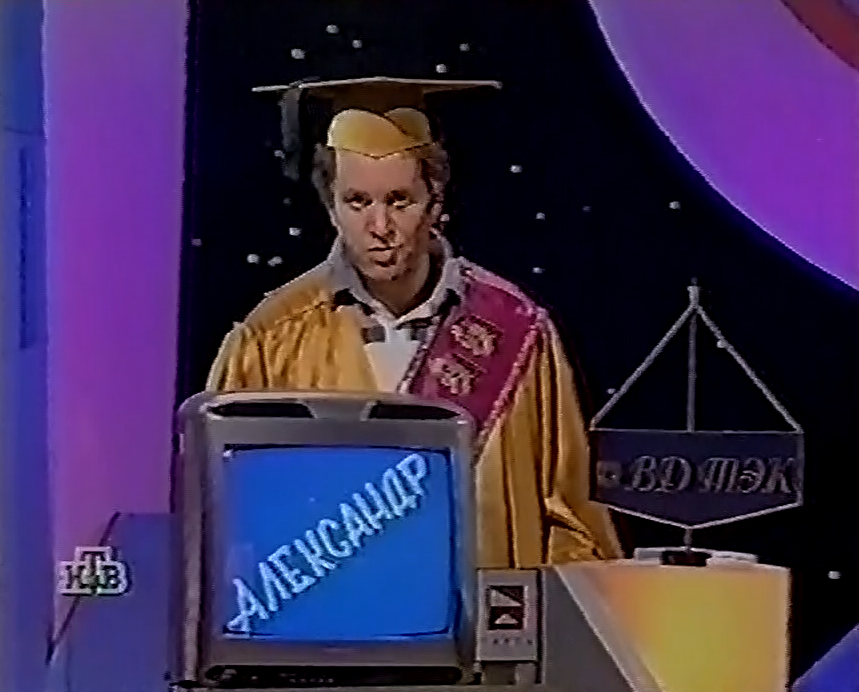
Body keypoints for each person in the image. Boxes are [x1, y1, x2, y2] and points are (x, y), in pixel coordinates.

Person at [208, 77, 621, 567]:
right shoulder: (270, 340)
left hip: (478, 607)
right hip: (332, 607)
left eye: (399, 200)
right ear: (330, 205)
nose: (380, 227)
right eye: (357, 202)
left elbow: (571, 524)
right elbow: (225, 521)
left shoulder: (518, 331)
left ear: (436, 200)